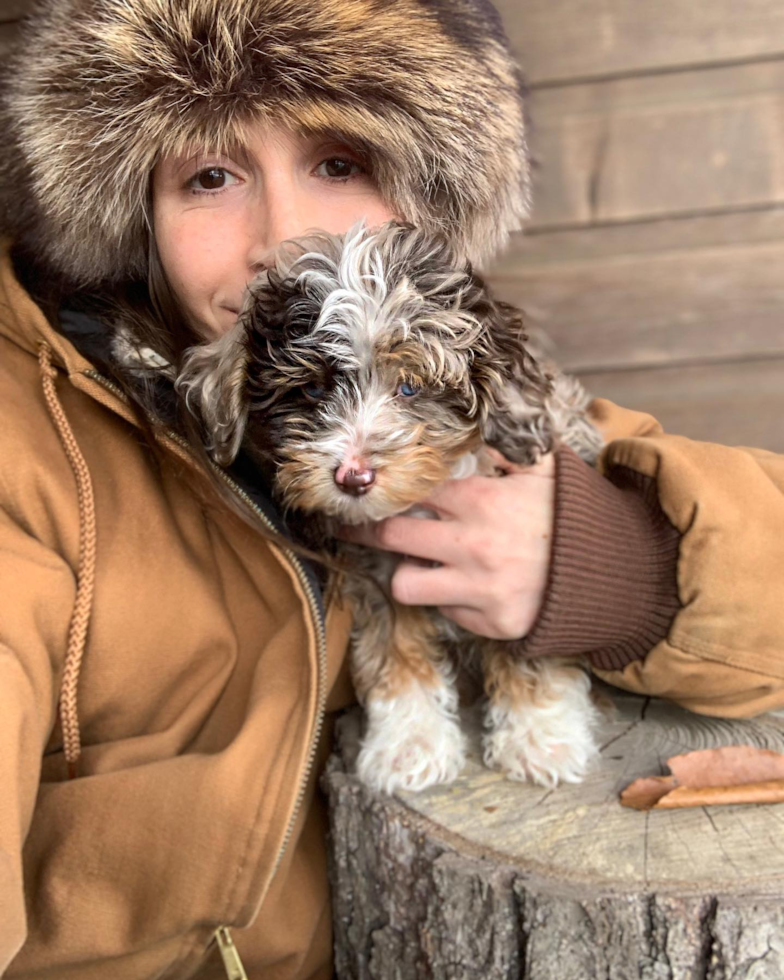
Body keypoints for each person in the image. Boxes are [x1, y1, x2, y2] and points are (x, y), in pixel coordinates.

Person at [0, 0, 783, 977]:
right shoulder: (24, 443)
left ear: (422, 199)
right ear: (129, 221)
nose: (284, 240)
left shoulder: (459, 379)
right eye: (208, 175)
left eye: (339, 163)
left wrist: (617, 563)